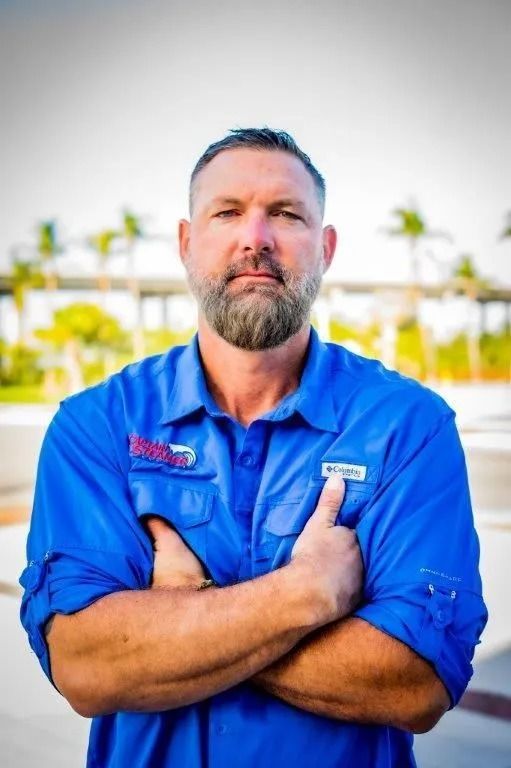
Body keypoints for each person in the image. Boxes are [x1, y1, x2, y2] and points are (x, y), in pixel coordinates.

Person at [20, 128, 487, 768]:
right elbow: (86, 664)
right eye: (228, 212)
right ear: (188, 244)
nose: (256, 239)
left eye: (286, 214)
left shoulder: (408, 426)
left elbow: (416, 681)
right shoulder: (98, 425)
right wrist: (308, 594)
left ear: (325, 249)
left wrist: (182, 618)